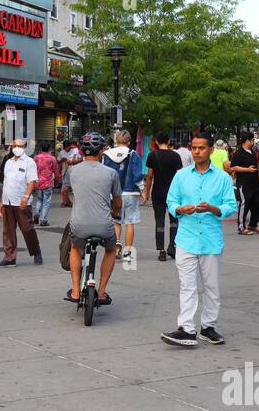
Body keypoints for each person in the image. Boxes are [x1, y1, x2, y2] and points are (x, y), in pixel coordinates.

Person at [160, 133, 238, 347]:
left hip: (211, 240)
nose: (196, 151)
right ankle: (186, 328)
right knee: (187, 286)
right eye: (193, 147)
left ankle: (208, 327)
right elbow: (171, 200)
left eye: (201, 148)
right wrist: (179, 209)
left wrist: (213, 209)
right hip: (186, 238)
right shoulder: (181, 175)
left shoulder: (222, 178)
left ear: (211, 150)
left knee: (211, 286)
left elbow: (231, 205)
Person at [63, 132, 122, 306]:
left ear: (82, 150)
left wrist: (69, 203)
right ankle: (102, 292)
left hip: (79, 225)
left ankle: (75, 291)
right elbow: (118, 202)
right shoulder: (111, 173)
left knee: (75, 248)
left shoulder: (72, 171)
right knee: (111, 249)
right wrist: (113, 212)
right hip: (104, 225)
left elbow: (64, 192)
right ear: (101, 151)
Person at [0, 137, 42, 267]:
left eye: (20, 146)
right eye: (14, 145)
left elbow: (32, 181)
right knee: (8, 231)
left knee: (27, 229)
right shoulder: (8, 162)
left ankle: (36, 251)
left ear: (25, 147)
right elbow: (6, 183)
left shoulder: (29, 162)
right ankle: (10, 257)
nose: (17, 148)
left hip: (22, 202)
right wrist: (1, 203)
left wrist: (26, 197)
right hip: (8, 201)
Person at [103, 130, 144, 258]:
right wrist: (143, 190)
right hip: (131, 192)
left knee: (116, 221)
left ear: (117, 141)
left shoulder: (107, 155)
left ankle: (116, 246)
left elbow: (105, 174)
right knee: (130, 222)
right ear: (129, 142)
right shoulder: (133, 154)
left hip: (114, 193)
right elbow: (137, 175)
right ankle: (128, 252)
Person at [143, 134, 183, 260]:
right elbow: (179, 177)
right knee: (174, 221)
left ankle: (161, 250)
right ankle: (172, 245)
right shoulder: (175, 156)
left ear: (156, 141)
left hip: (157, 192)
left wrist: (147, 192)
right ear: (169, 141)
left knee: (159, 221)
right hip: (173, 193)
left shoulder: (152, 155)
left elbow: (149, 176)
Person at [229, 132, 259, 236]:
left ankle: (253, 224)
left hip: (255, 183)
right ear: (247, 140)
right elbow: (232, 167)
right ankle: (241, 227)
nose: (253, 142)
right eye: (252, 140)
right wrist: (247, 170)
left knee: (257, 203)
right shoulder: (239, 153)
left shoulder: (252, 151)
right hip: (244, 184)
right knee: (245, 204)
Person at [32, 142, 59, 226]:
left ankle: (36, 213)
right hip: (48, 183)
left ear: (41, 149)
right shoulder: (52, 158)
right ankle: (43, 220)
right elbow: (56, 171)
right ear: (49, 149)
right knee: (46, 202)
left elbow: (32, 169)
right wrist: (57, 181)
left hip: (38, 182)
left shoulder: (36, 158)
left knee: (39, 199)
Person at [60, 140, 82, 206]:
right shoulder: (62, 152)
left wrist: (72, 162)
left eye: (68, 147)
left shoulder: (75, 150)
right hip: (66, 172)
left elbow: (81, 159)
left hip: (75, 172)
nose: (67, 149)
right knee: (64, 189)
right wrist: (62, 160)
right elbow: (58, 161)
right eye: (65, 148)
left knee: (75, 188)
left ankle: (72, 203)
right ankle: (66, 202)